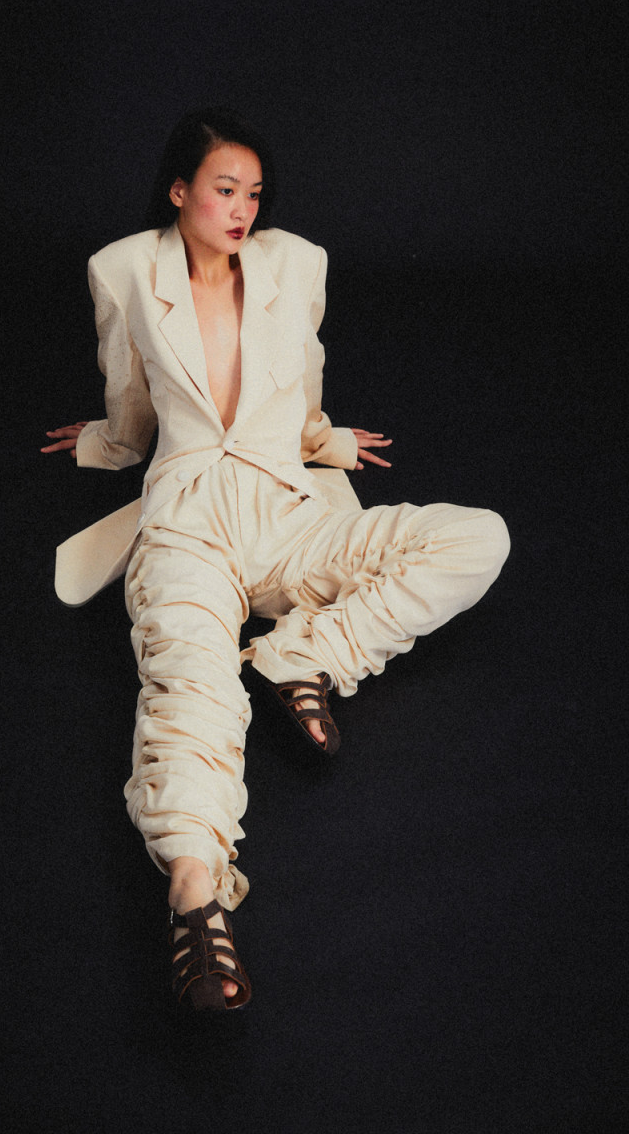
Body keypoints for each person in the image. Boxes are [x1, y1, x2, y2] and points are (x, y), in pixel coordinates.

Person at [42, 107, 510, 1013]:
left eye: (253, 194)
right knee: (189, 692)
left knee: (478, 537)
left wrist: (326, 441)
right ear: (179, 190)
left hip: (287, 516)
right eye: (225, 190)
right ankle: (196, 895)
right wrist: (101, 444)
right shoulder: (123, 269)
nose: (242, 210)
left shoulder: (296, 264)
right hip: (186, 527)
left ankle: (307, 655)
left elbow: (304, 383)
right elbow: (131, 408)